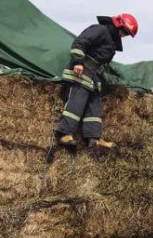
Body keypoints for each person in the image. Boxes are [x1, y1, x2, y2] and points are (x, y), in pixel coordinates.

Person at [54, 13, 138, 150]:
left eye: (127, 34)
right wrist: (78, 62)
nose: (123, 35)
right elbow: (79, 42)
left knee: (95, 108)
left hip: (93, 78)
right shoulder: (100, 30)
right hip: (81, 72)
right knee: (77, 103)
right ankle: (64, 133)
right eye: (124, 31)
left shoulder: (111, 42)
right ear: (118, 24)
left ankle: (94, 139)